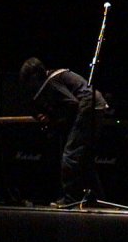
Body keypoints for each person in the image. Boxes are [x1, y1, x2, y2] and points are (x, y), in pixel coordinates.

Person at [19, 57, 108, 207]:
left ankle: (70, 198)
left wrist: (52, 118)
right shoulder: (56, 76)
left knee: (70, 155)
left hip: (88, 106)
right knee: (85, 159)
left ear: (34, 77)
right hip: (96, 106)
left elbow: (72, 104)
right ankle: (99, 199)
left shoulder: (51, 82)